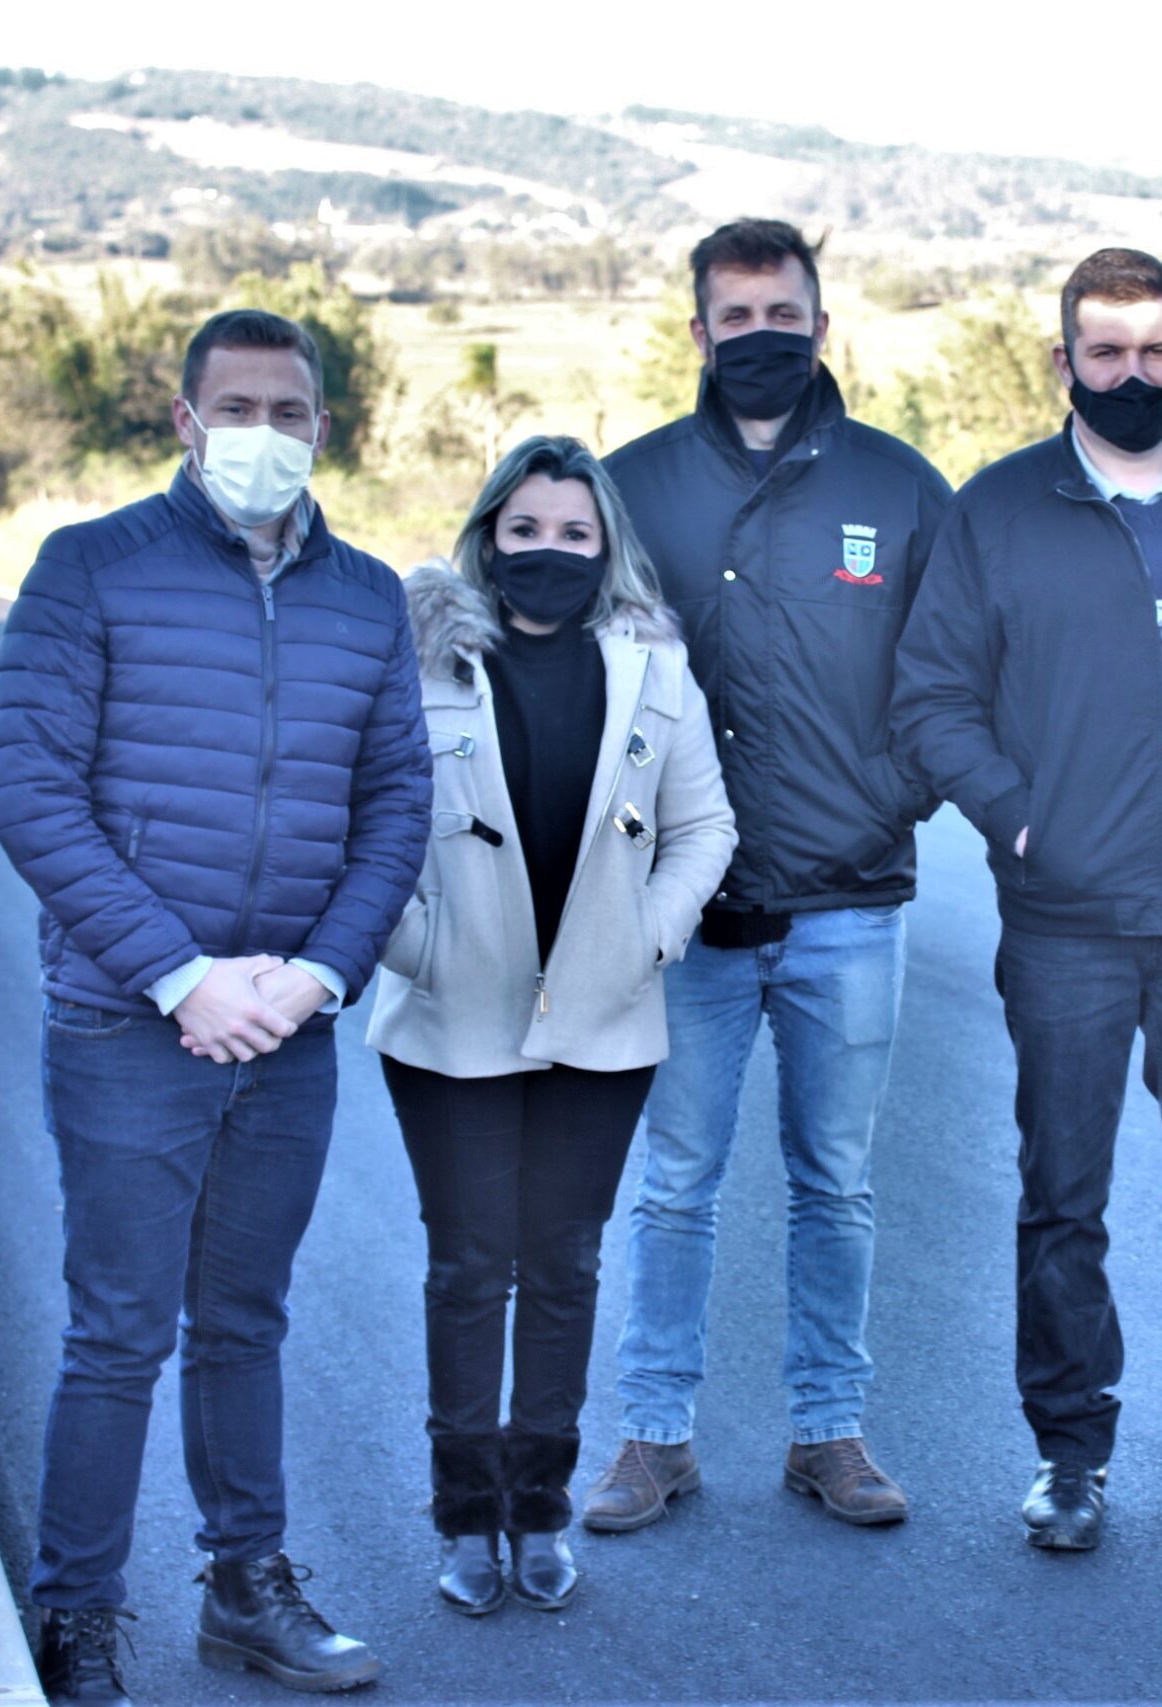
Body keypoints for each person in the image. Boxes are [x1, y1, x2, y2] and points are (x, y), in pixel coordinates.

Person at [0, 308, 430, 1703]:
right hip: (130, 1022)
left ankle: (248, 1588)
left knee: (246, 1319)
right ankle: (75, 1619)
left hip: (288, 1027)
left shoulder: (365, 596)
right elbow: (29, 792)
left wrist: (315, 974)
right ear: (183, 421)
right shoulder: (88, 568)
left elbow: (396, 804)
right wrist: (180, 973)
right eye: (232, 407)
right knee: (118, 1328)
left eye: (285, 409)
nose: (261, 433)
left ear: (322, 426)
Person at [892, 247, 1162, 1553]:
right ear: (1063, 360)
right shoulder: (999, 508)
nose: (1133, 372)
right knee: (1062, 1201)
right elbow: (932, 695)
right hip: (1064, 924)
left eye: (1156, 348)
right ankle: (1071, 1455)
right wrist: (1022, 819)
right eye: (1107, 351)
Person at [582, 218, 952, 1533]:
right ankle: (654, 1435)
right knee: (675, 1176)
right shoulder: (624, 488)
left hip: (849, 901)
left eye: (781, 314)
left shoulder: (902, 488)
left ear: (820, 323)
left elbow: (958, 673)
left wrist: (887, 799)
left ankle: (828, 1430)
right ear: (696, 333)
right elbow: (569, 677)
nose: (759, 338)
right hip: (687, 915)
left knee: (835, 1179)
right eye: (734, 318)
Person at [368, 436, 735, 1615]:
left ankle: (539, 1511)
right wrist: (414, 947)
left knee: (565, 1266)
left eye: (573, 534)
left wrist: (650, 940)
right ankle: (465, 1519)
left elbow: (704, 831)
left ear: (605, 545)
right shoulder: (416, 660)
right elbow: (359, 826)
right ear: (489, 537)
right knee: (472, 1268)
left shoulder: (652, 669)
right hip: (448, 1018)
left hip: (604, 1022)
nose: (547, 552)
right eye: (525, 531)